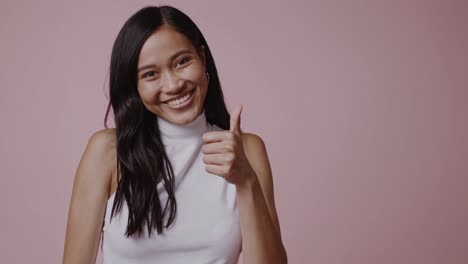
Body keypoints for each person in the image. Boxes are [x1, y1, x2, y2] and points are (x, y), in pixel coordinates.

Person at [62, 5, 287, 264]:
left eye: (182, 61)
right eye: (150, 74)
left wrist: (246, 182)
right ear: (134, 86)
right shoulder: (108, 152)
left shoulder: (246, 150)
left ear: (202, 58)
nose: (173, 85)